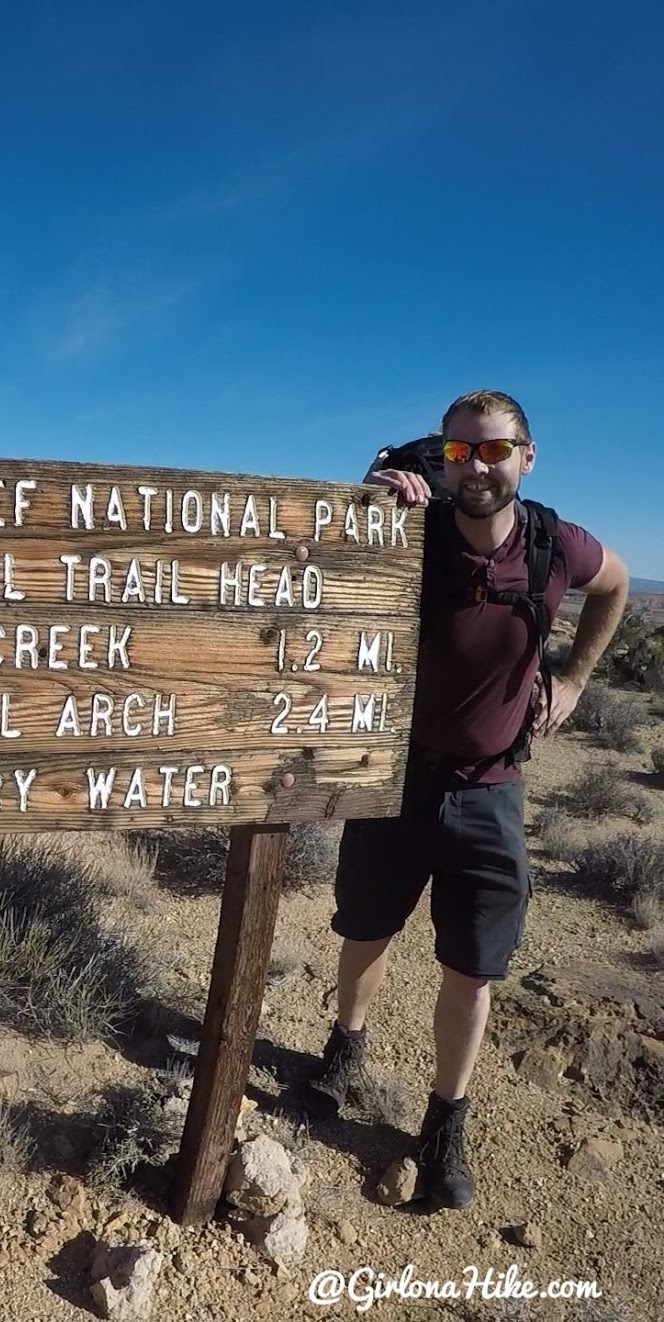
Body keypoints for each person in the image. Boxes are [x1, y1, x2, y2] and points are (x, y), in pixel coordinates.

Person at [306, 389, 630, 1210]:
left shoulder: (557, 545)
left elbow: (616, 585)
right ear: (440, 457)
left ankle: (445, 1121)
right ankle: (345, 1048)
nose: (477, 467)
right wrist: (371, 494)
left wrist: (577, 678)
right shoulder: (410, 528)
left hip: (492, 791)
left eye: (494, 451)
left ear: (526, 455)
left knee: (472, 969)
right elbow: (320, 569)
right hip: (400, 776)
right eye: (460, 452)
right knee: (367, 928)